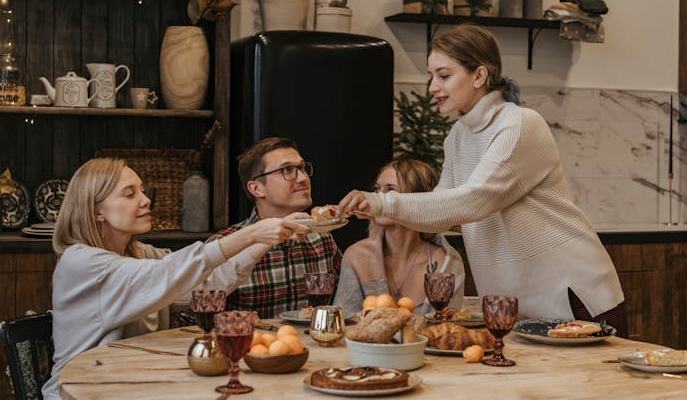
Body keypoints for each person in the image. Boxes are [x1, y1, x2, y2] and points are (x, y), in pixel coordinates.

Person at [338, 24, 627, 337]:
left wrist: (383, 201)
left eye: (444, 75)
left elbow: (473, 200)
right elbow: (439, 217)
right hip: (513, 306)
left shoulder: (518, 125)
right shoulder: (458, 137)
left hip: (569, 296)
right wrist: (379, 207)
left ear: (479, 75)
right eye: (431, 75)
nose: (432, 86)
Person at [42, 157, 308, 399]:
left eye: (142, 190)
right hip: (79, 392)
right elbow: (166, 275)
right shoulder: (80, 262)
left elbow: (205, 283)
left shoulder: (139, 253)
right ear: (96, 211)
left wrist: (272, 236)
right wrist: (251, 233)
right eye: (130, 194)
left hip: (127, 385)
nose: (146, 199)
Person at [209, 137, 343, 318]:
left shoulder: (322, 240)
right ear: (256, 188)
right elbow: (194, 320)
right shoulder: (224, 245)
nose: (303, 178)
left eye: (302, 168)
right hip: (252, 345)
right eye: (287, 170)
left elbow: (344, 306)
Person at [333, 159, 465, 317]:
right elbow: (344, 322)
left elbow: (451, 327)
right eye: (377, 190)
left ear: (419, 201)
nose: (378, 198)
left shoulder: (447, 262)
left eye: (390, 191)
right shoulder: (357, 256)